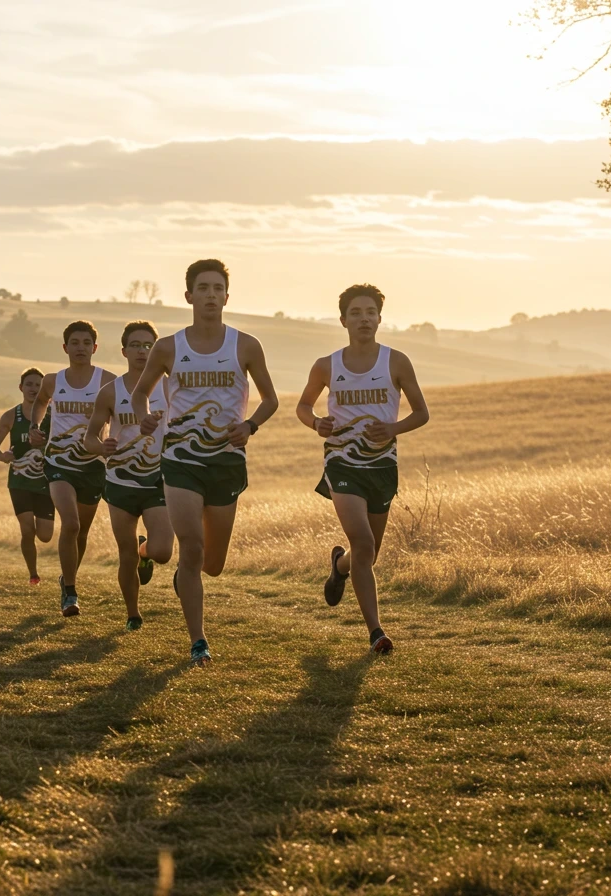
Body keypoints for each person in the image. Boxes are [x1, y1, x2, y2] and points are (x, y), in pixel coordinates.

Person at [131, 259, 279, 666]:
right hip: (180, 457)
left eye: (218, 288)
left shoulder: (245, 345)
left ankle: (185, 576)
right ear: (189, 296)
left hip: (227, 460)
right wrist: (144, 415)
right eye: (203, 288)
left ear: (227, 297)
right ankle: (198, 641)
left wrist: (250, 426)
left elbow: (270, 400)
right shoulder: (168, 347)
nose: (211, 295)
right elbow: (141, 393)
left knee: (212, 564)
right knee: (191, 548)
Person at [295, 284, 430, 655]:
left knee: (367, 554)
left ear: (379, 318)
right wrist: (316, 423)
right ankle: (376, 632)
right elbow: (304, 406)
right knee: (364, 542)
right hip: (342, 462)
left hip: (382, 465)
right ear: (343, 320)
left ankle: (340, 567)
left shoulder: (396, 362)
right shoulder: (327, 365)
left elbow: (422, 412)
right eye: (356, 312)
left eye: (370, 311)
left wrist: (393, 428)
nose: (364, 318)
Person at [83, 321, 174, 631]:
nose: (142, 351)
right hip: (120, 481)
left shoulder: (169, 386)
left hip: (157, 480)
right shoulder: (111, 392)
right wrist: (102, 447)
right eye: (135, 345)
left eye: (148, 345)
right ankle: (133, 614)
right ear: (124, 350)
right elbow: (89, 438)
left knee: (162, 551)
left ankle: (145, 550)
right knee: (125, 554)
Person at [32, 321, 116, 616]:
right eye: (75, 342)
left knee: (81, 534)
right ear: (65, 347)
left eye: (86, 342)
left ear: (95, 347)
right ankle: (70, 592)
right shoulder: (53, 381)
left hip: (93, 465)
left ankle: (67, 578)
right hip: (58, 462)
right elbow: (41, 402)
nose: (81, 348)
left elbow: (121, 416)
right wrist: (35, 426)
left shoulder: (108, 381)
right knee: (70, 524)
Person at [0, 367, 55, 585]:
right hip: (19, 480)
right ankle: (33, 574)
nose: (33, 389)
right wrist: (3, 456)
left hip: (45, 481)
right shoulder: (11, 416)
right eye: (29, 384)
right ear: (21, 387)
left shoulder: (52, 414)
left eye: (38, 385)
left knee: (45, 535)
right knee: (27, 530)